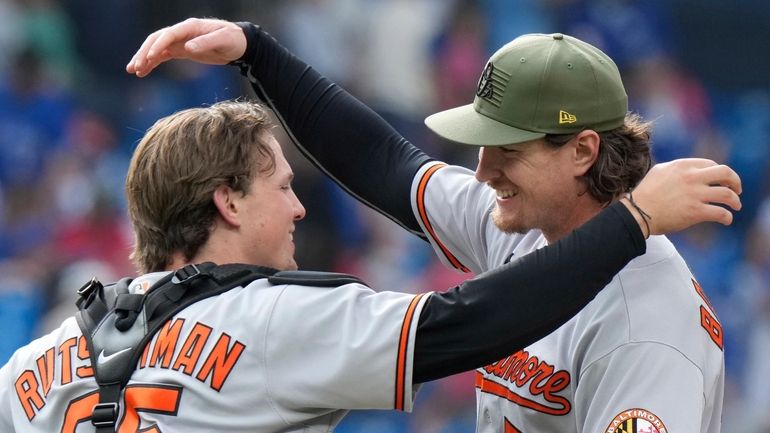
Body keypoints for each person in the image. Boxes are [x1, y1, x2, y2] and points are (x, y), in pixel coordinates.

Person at [126, 19, 743, 433]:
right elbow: (384, 165)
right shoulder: (523, 222)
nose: (483, 170)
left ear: (581, 151)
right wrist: (254, 50)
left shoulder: (651, 329)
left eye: (507, 149)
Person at [0, 99, 735, 433]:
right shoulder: (282, 320)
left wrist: (262, 58)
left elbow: (389, 166)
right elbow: (471, 321)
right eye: (283, 187)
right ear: (227, 202)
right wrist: (633, 221)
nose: (299, 210)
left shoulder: (37, 362)